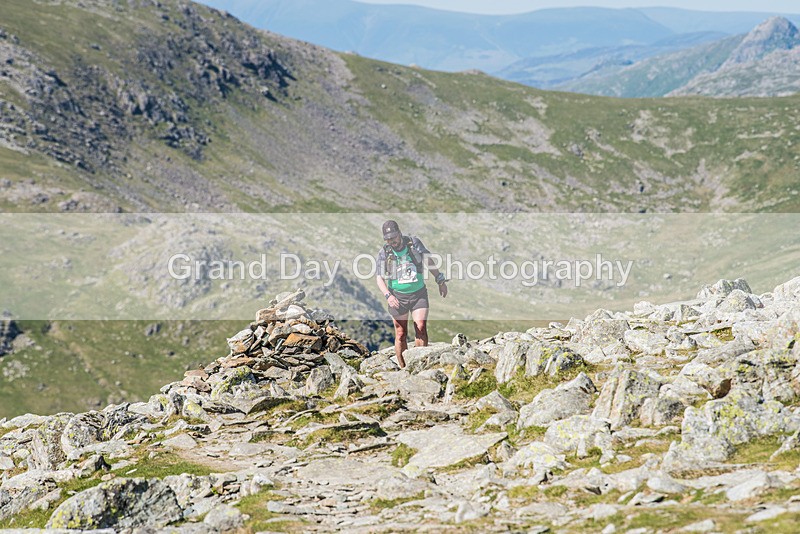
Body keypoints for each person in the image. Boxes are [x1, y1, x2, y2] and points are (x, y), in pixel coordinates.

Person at [375, 220, 447, 368]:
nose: (391, 241)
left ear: (399, 234)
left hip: (418, 294)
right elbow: (379, 278)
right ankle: (403, 368)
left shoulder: (414, 244)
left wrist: (440, 280)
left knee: (420, 327)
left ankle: (420, 366)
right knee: (401, 333)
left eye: (393, 237)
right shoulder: (384, 253)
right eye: (388, 239)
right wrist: (388, 295)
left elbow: (429, 261)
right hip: (397, 297)